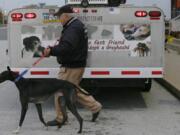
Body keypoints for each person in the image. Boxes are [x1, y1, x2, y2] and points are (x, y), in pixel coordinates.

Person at [43, 4, 102, 126]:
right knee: (72, 90)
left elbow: (67, 47)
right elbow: (68, 45)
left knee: (60, 91)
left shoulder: (73, 28)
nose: (59, 19)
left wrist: (51, 51)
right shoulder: (74, 25)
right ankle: (95, 107)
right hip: (75, 64)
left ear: (65, 15)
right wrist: (53, 49)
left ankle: (61, 118)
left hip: (71, 66)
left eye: (59, 16)